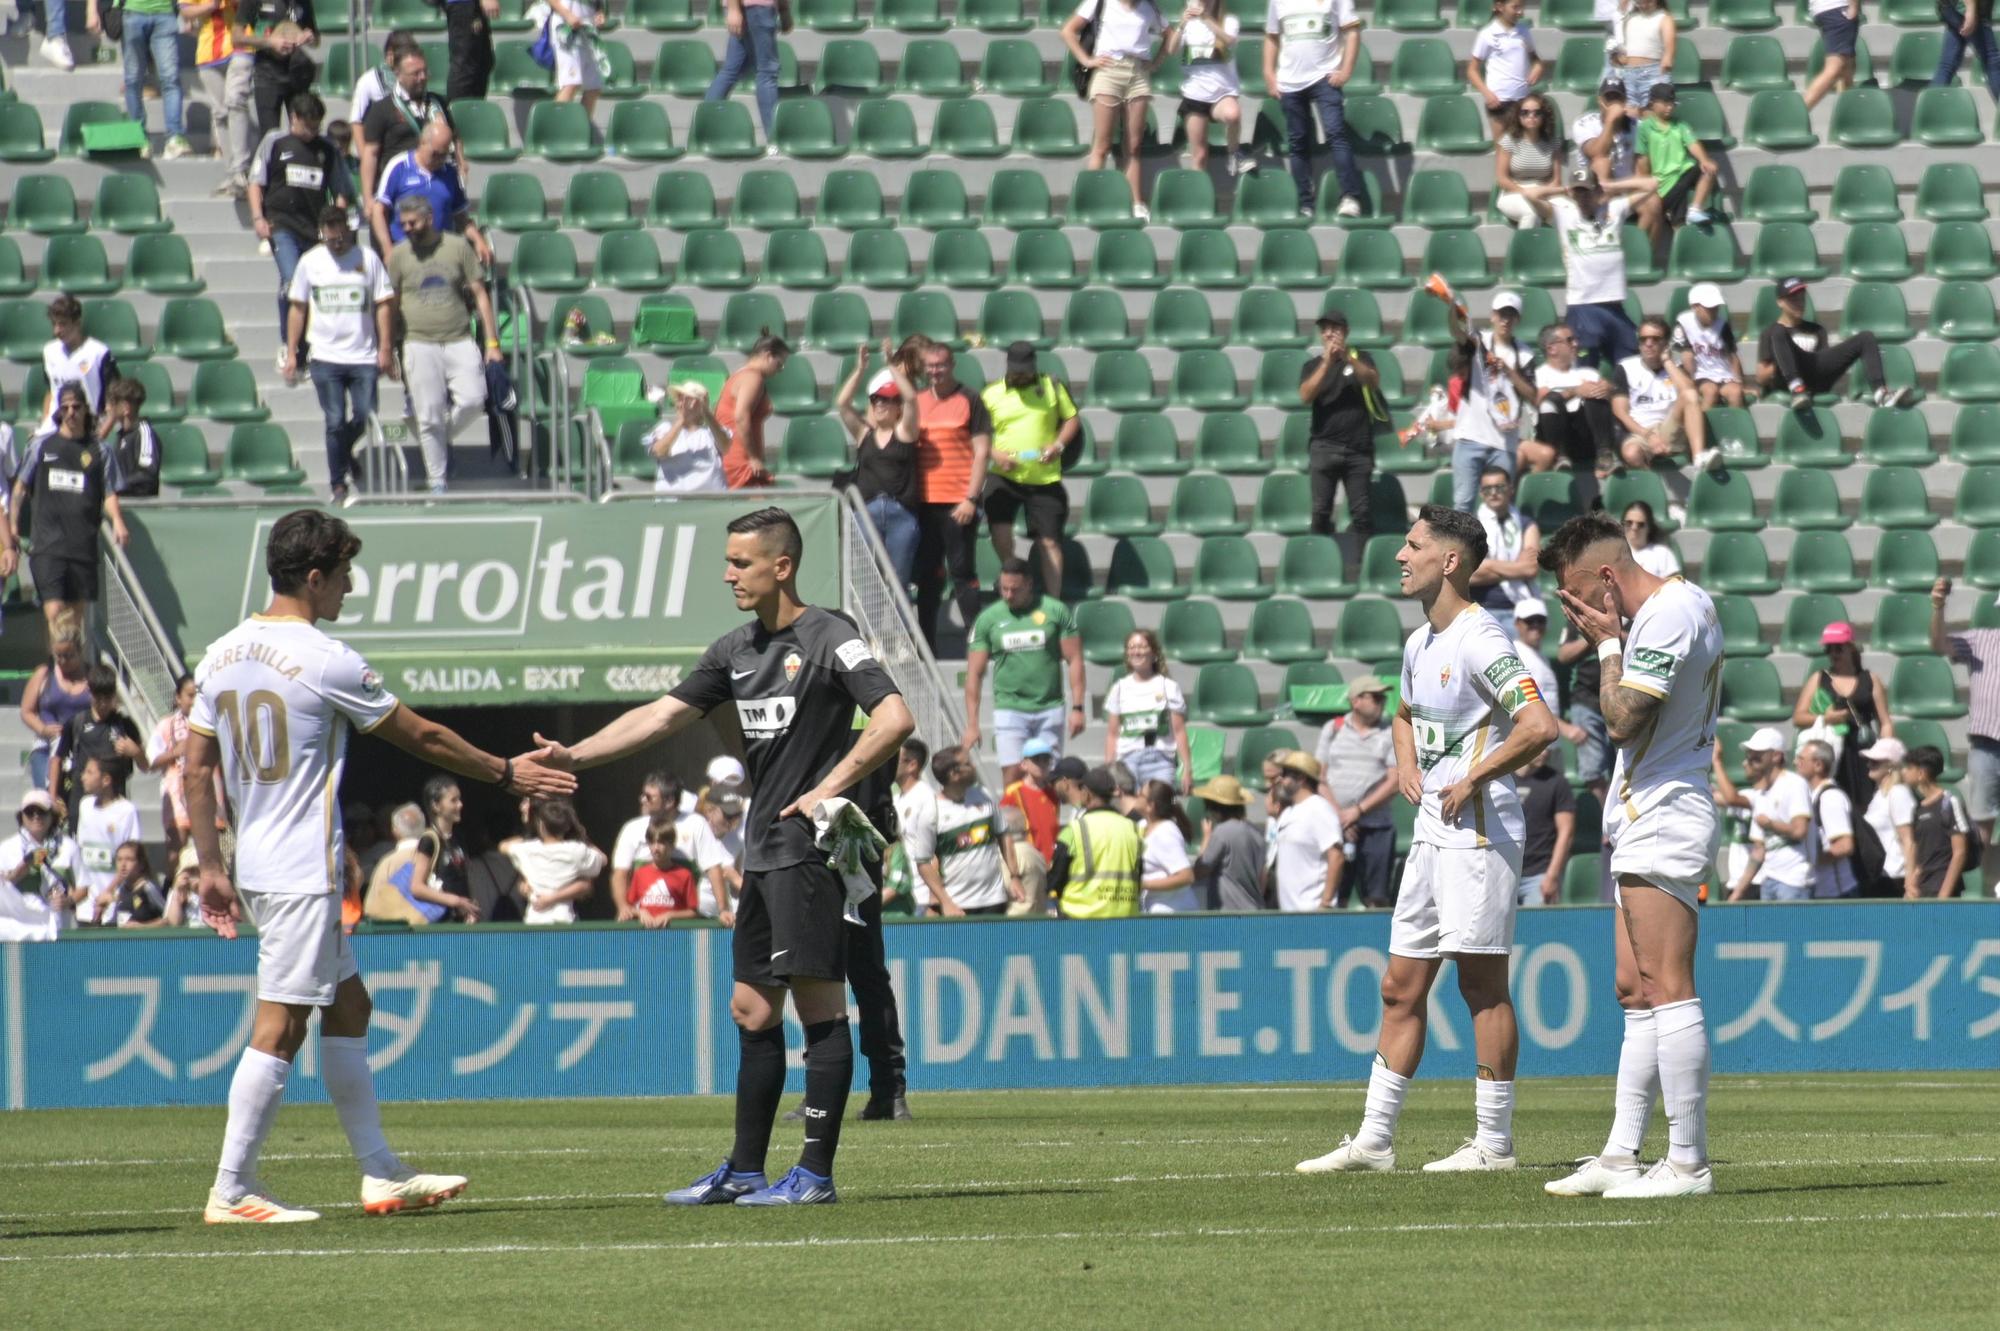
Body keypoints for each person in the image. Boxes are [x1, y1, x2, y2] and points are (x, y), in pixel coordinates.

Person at [182, 507, 571, 1223]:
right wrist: (505, 771)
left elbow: (195, 766)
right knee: (281, 1022)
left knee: (350, 1003)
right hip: (302, 868)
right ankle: (232, 1187)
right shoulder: (324, 657)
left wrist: (209, 862)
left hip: (260, 863)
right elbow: (421, 734)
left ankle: (380, 1172)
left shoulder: (219, 653)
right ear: (315, 574)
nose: (350, 589)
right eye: (345, 574)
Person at [531, 506, 915, 1207]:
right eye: (729, 561)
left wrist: (827, 788)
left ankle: (814, 1176)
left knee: (819, 1008)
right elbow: (659, 715)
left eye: (741, 562)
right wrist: (575, 754)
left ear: (782, 565)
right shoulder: (734, 649)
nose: (728, 573)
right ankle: (744, 1168)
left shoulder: (831, 636)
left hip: (811, 848)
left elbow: (895, 716)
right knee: (750, 1009)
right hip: (763, 852)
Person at [1299, 504, 1556, 1176]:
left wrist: (1475, 775)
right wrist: (1407, 765)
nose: (1399, 555)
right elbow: (1406, 715)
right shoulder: (1420, 645)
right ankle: (1375, 1139)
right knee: (1399, 986)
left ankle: (1494, 1144)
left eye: (1412, 545)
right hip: (1432, 834)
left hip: (1480, 834)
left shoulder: (1483, 640)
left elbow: (1539, 725)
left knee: (1482, 986)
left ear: (1449, 560)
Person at [1541, 508, 1724, 1198]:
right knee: (1634, 986)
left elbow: (1620, 719)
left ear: (1608, 580)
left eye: (1578, 596)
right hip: (1643, 811)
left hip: (1668, 810)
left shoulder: (1671, 612)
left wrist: (1606, 645)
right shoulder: (1663, 612)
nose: (1577, 614)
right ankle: (1622, 1152)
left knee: (1669, 985)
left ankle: (1687, 1161)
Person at [387, 190, 502, 494]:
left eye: (412, 223)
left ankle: (437, 435)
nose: (407, 229)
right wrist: (387, 346)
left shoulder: (457, 247)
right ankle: (437, 481)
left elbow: (479, 293)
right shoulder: (398, 255)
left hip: (459, 338)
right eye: (403, 224)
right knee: (429, 414)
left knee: (474, 400)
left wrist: (492, 343)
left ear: (429, 218)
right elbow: (390, 305)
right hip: (418, 342)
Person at [286, 207, 394, 503]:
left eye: (341, 237)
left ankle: (343, 453)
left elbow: (384, 303)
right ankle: (338, 484)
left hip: (363, 356)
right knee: (334, 420)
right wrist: (293, 351)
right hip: (325, 356)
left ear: (348, 230)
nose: (337, 244)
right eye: (331, 238)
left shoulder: (367, 259)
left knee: (364, 414)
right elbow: (298, 307)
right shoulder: (310, 262)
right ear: (322, 233)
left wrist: (386, 347)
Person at [10, 386, 132, 637]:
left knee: (75, 625)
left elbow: (109, 493)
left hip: (82, 548)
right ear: (58, 411)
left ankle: (71, 672)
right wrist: (13, 525)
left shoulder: (100, 451)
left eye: (76, 407)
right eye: (65, 407)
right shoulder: (41, 447)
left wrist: (118, 520)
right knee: (55, 614)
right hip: (48, 547)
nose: (71, 412)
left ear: (85, 409)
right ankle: (59, 669)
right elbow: (21, 487)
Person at [249, 94, 353, 374]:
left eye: (316, 126)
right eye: (308, 126)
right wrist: (259, 218)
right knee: (291, 282)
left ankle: (307, 348)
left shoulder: (327, 150)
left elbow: (341, 192)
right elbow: (256, 183)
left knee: (314, 288)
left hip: (315, 229)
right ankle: (288, 343)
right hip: (282, 225)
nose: (312, 132)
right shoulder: (275, 142)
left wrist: (336, 225)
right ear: (294, 118)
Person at [964, 559, 1087, 786]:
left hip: (1049, 707)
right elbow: (974, 674)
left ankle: (1047, 821)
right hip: (1010, 708)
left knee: (1050, 776)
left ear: (1029, 584)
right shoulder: (988, 619)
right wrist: (972, 723)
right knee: (1013, 774)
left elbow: (1075, 659)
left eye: (1015, 589)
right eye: (1004, 589)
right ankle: (1016, 822)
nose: (1009, 595)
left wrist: (1078, 707)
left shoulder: (1055, 610)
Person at [911, 344, 994, 652]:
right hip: (923, 503)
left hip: (959, 502)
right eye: (930, 366)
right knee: (928, 578)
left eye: (941, 365)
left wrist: (971, 498)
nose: (936, 371)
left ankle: (977, 642)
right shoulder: (916, 401)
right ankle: (925, 648)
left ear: (952, 364)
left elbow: (982, 451)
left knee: (962, 574)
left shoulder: (970, 399)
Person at [981, 342, 1080, 595]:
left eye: (1025, 370)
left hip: (1044, 477)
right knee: (1000, 531)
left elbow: (1072, 419)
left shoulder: (1052, 387)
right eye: (1017, 371)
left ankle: (1054, 598)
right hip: (1004, 475)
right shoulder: (991, 394)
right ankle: (1013, 580)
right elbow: (976, 433)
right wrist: (995, 454)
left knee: (1049, 541)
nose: (1021, 375)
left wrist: (1058, 445)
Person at [1437, 285, 1537, 512]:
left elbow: (1532, 395)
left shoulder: (1525, 354)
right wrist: (1453, 306)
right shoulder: (1479, 341)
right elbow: (1458, 332)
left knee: (1501, 508)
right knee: (1463, 505)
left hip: (1504, 442)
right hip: (1470, 436)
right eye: (1502, 314)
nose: (1505, 320)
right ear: (1493, 315)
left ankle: (1496, 548)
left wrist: (1510, 372)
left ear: (1517, 319)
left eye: (1511, 315)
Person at [1065, 0, 1169, 217]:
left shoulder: (1149, 7)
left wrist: (1157, 63)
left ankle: (1136, 203)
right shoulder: (1100, 2)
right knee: (1102, 146)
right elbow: (1068, 30)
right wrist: (1087, 60)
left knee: (1133, 146)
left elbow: (1170, 34)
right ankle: (1090, 202)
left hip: (1138, 72)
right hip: (1109, 70)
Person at [1264, 0, 1366, 220]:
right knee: (1298, 141)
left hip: (1325, 78)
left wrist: (1346, 71)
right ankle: (1305, 202)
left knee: (1336, 134)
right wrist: (1269, 75)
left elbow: (1353, 32)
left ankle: (1350, 197)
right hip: (1290, 82)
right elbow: (1272, 36)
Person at [1928, 575, 2000, 883]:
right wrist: (1938, 608)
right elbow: (1939, 644)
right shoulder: (1981, 638)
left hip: (1986, 745)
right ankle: (1974, 892)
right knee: (1981, 821)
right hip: (1986, 743)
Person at [1756, 276, 1912, 412]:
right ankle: (1797, 388)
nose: (1799, 302)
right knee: (1778, 330)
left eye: (1801, 297)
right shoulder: (1770, 333)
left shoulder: (1816, 330)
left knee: (1866, 337)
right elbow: (1761, 377)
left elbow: (1822, 363)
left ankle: (1882, 395)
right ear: (1780, 302)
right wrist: (1783, 361)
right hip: (1787, 382)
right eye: (1793, 299)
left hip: (1816, 377)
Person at [834, 342, 920, 585]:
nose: (881, 404)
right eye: (876, 399)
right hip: (867, 511)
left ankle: (898, 624)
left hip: (900, 512)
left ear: (898, 407)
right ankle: (864, 625)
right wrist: (860, 369)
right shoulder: (864, 433)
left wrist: (891, 366)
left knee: (898, 581)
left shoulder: (904, 433)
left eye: (889, 400)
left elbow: (912, 399)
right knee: (867, 581)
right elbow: (842, 403)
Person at [903, 746, 1020, 917]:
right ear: (954, 774)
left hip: (994, 900)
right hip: (958, 905)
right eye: (968, 764)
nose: (974, 766)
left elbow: (1003, 834)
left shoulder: (984, 795)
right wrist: (945, 902)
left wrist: (1015, 876)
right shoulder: (930, 811)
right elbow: (924, 863)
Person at [1791, 619, 1892, 813]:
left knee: (1865, 807)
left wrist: (1886, 754)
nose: (1833, 654)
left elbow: (1885, 721)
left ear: (1851, 648)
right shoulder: (1819, 678)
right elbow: (1798, 717)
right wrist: (1826, 719)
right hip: (1831, 751)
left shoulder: (1870, 680)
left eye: (1838, 648)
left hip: (1862, 751)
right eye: (1828, 649)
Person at [1314, 675, 1398, 908]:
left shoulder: (1390, 731)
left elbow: (1395, 780)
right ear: (1356, 701)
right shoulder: (1333, 729)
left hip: (1377, 827)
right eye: (1376, 697)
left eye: (1383, 698)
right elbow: (1320, 778)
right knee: (1335, 896)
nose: (1381, 702)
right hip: (1336, 827)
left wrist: (1358, 811)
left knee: (1376, 898)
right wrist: (1341, 816)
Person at [1300, 312, 1385, 540]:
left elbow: (1372, 380)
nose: (1329, 334)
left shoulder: (1361, 358)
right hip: (1324, 448)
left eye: (1335, 329)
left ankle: (1361, 565)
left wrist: (1348, 357)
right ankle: (1319, 561)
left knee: (1362, 514)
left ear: (1345, 332)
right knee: (1320, 512)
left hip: (1358, 449)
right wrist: (1328, 361)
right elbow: (1306, 395)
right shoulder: (1312, 365)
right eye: (1325, 329)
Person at [611, 772, 731, 923]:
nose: (643, 800)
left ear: (669, 801)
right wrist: (624, 907)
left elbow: (713, 868)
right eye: (643, 795)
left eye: (649, 797)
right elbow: (620, 873)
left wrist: (723, 909)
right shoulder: (632, 828)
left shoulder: (696, 824)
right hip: (642, 923)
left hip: (682, 924)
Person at [373, 124, 493, 266]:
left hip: (441, 254)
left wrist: (478, 240)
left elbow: (460, 217)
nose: (439, 158)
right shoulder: (399, 166)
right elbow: (378, 211)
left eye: (444, 154)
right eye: (435, 153)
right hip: (406, 253)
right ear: (422, 142)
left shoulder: (449, 173)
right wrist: (388, 250)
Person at [358, 47, 461, 211]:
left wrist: (461, 167)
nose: (422, 77)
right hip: (399, 192)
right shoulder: (382, 108)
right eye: (416, 73)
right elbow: (370, 154)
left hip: (435, 188)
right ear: (398, 74)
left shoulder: (438, 103)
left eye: (425, 72)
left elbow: (454, 137)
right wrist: (368, 198)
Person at [1571, 80, 1667, 253]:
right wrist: (1610, 122)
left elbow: (1641, 173)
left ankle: (1638, 255)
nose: (1613, 103)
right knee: (1602, 163)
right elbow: (1596, 153)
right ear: (1600, 100)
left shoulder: (1636, 127)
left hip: (1625, 185)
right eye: (1609, 98)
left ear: (1624, 101)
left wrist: (1642, 114)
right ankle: (1602, 239)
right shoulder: (1584, 123)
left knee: (1654, 203)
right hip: (1593, 188)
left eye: (1618, 98)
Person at [1610, 316, 1709, 474]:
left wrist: (1667, 362)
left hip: (1669, 428)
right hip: (1640, 430)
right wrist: (1648, 435)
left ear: (1665, 343)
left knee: (1690, 394)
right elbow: (1620, 412)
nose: (1649, 344)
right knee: (1631, 453)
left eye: (1655, 339)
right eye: (1644, 339)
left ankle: (1699, 460)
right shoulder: (1625, 368)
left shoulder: (1675, 367)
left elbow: (1691, 393)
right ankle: (1652, 486)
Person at [1521, 323, 1616, 488]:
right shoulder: (1539, 376)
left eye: (1575, 339)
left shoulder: (1588, 373)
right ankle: (1560, 456)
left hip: (1583, 438)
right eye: (1569, 340)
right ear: (1552, 348)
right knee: (1552, 400)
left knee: (1595, 395)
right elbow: (1539, 401)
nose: (1576, 344)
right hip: (1552, 437)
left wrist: (1609, 389)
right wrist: (1575, 391)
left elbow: (1611, 401)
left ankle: (1604, 455)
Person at [1103, 629, 1192, 793]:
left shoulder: (1169, 687)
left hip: (1161, 760)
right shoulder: (1119, 688)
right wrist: (1109, 768)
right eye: (1132, 647)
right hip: (1128, 761)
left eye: (1142, 647)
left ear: (1153, 653)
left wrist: (1187, 768)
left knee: (1162, 809)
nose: (1136, 651)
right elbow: (1112, 734)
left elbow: (1179, 731)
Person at [1049, 765, 1143, 918]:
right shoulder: (1133, 828)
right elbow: (1139, 873)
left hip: (1082, 919)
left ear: (1086, 793)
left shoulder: (1074, 830)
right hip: (1124, 919)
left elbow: (1056, 879)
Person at [1172, 0, 1252, 176]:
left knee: (1233, 114)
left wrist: (1207, 19)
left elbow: (1228, 40)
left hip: (1222, 93)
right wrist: (1181, 25)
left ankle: (1234, 153)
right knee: (1199, 155)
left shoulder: (1229, 21)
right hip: (1195, 94)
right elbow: (1171, 49)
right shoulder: (1189, 25)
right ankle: (1197, 200)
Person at [20, 618, 93, 793]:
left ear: (80, 651)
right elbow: (27, 711)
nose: (62, 661)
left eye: (68, 656)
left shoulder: (92, 676)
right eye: (58, 656)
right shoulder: (44, 674)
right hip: (47, 747)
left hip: (83, 749)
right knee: (47, 796)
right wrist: (43, 729)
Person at [1267, 751, 1346, 912]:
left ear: (1301, 778)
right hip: (1290, 915)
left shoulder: (1319, 809)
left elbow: (1336, 856)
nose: (1281, 779)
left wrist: (1326, 903)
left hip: (1313, 913)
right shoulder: (1289, 812)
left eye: (1286, 774)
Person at [504, 797, 602, 924]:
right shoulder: (575, 850)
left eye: (527, 801)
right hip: (552, 917)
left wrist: (551, 898)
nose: (522, 806)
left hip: (548, 918)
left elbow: (585, 885)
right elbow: (600, 860)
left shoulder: (527, 849)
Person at [34, 294, 118, 438]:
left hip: (88, 432)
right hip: (56, 431)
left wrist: (103, 432)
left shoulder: (98, 353)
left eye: (62, 324)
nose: (57, 331)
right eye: (54, 324)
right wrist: (45, 423)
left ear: (77, 323)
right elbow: (51, 391)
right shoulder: (49, 351)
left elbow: (115, 397)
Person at [1470, 466, 1540, 638]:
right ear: (1480, 493)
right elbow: (1467, 574)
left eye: (1499, 487)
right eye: (1487, 489)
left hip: (1520, 612)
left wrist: (1487, 566)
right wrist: (1517, 568)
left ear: (1511, 489)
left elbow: (1530, 569)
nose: (1493, 493)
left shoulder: (1527, 525)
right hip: (1481, 610)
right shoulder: (1470, 527)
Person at [706, 0, 790, 141]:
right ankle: (774, 139)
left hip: (756, 8)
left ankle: (705, 125)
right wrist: (733, 9)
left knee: (734, 68)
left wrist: (784, 9)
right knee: (767, 71)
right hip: (756, 8)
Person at [1633, 85, 1717, 227]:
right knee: (1680, 203)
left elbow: (1693, 144)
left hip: (1683, 172)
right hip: (1662, 183)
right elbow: (1642, 163)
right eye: (1665, 103)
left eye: (1672, 103)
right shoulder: (1644, 129)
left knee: (1708, 167)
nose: (1670, 107)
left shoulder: (1680, 125)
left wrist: (1704, 160)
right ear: (1653, 104)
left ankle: (1695, 209)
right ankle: (1683, 219)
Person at [122, 0, 193, 159]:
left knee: (171, 78)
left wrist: (185, 13)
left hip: (165, 14)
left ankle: (174, 137)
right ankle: (138, 137)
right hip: (133, 12)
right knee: (133, 80)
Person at [1, 790, 80, 933]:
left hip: (57, 928)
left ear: (52, 815)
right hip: (17, 933)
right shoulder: (6, 848)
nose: (36, 816)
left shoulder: (68, 846)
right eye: (30, 812)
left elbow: (83, 887)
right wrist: (16, 875)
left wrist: (67, 901)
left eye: (41, 811)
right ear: (21, 816)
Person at [239, 0, 320, 138]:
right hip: (267, 74)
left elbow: (316, 40)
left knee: (304, 132)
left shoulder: (303, 2)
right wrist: (270, 42)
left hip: (297, 74)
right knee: (270, 136)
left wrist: (309, 38)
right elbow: (237, 37)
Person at [406, 775, 480, 923]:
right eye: (453, 800)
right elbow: (417, 887)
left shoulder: (458, 838)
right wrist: (455, 901)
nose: (460, 805)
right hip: (441, 924)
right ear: (436, 805)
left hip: (462, 921)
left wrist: (469, 906)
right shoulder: (429, 840)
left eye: (459, 799)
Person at [718, 332, 786, 490]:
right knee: (757, 511)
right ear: (768, 355)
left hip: (735, 456)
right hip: (740, 460)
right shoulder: (753, 378)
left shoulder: (741, 374)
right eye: (779, 364)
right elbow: (741, 417)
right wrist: (754, 458)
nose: (779, 370)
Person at [1901, 745, 1971, 899]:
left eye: (1909, 768)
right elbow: (1923, 854)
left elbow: (1959, 853)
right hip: (1922, 890)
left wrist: (1943, 897)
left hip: (1942, 891)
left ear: (1921, 773)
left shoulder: (1949, 803)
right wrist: (1911, 884)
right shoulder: (1918, 809)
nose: (1904, 772)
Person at [1467, 0, 1543, 141]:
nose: (1520, 12)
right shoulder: (1487, 34)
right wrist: (1487, 94)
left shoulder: (1523, 30)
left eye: (1522, 7)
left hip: (1522, 99)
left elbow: (1535, 59)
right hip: (1500, 100)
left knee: (1523, 149)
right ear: (1499, 7)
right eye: (1515, 7)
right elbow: (1472, 70)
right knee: (1502, 149)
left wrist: (1538, 67)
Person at [1796, 739, 1859, 900]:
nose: (1796, 762)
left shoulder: (1830, 798)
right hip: (1822, 892)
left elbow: (1844, 846)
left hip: (1837, 895)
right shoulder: (1812, 795)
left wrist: (1807, 860)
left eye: (1802, 759)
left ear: (1818, 765)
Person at [1190, 775, 1265, 910]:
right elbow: (1262, 879)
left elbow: (1199, 871)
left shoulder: (1222, 832)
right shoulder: (1257, 833)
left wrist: (1207, 837)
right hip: (1255, 911)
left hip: (1228, 915)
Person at [1671, 283, 1744, 419]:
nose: (1713, 311)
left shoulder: (1722, 326)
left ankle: (1734, 428)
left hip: (1722, 372)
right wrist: (1690, 382)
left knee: (1736, 392)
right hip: (1699, 374)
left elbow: (1732, 357)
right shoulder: (1684, 323)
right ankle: (1702, 428)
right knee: (1710, 391)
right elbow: (1685, 356)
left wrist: (1739, 381)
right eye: (1709, 308)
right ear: (1695, 307)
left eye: (1715, 308)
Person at [1493, 93, 1564, 229]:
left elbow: (1556, 181)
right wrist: (1525, 192)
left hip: (1544, 191)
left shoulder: (1553, 142)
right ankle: (1525, 248)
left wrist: (1540, 192)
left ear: (1544, 116)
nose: (1531, 117)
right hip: (1514, 192)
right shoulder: (1509, 141)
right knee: (1530, 214)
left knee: (1568, 211)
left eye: (1537, 113)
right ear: (1518, 116)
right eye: (1525, 113)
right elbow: (1502, 179)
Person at [1517, 744, 1576, 905]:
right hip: (1505, 872)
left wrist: (1552, 876)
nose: (1545, 752)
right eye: (1540, 745)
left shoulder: (1557, 782)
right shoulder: (1502, 779)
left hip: (1539, 875)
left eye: (1548, 748)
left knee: (1538, 928)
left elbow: (1566, 831)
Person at [644, 381, 728, 494]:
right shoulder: (664, 428)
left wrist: (705, 412)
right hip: (674, 502)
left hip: (711, 501)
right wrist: (682, 420)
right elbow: (659, 452)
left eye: (686, 399)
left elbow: (726, 446)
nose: (681, 404)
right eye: (679, 399)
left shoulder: (711, 432)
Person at [1860, 736, 1916, 898]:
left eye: (1876, 762)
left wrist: (1910, 883)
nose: (1869, 764)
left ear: (1891, 766)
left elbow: (1908, 840)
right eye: (1869, 761)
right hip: (1881, 875)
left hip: (1895, 877)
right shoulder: (1879, 795)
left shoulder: (1898, 793)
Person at [887, 737, 935, 916]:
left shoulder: (925, 798)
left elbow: (935, 852)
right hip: (906, 896)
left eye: (895, 759)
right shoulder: (897, 798)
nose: (889, 764)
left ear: (912, 765)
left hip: (922, 899)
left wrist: (933, 898)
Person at [1137, 780, 1200, 913]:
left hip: (1173, 914)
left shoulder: (1166, 832)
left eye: (1141, 794)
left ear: (1150, 806)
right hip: (1153, 911)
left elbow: (1186, 876)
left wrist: (1142, 884)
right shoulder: (1141, 825)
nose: (1137, 794)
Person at [625, 815, 699, 927]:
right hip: (645, 936)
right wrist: (640, 913)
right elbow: (628, 907)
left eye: (661, 843)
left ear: (672, 845)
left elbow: (693, 912)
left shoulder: (684, 875)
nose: (655, 848)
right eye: (652, 843)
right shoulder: (640, 873)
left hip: (674, 936)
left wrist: (670, 915)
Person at [1003, 738, 1062, 872]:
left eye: (1046, 759)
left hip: (1051, 863)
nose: (1042, 764)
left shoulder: (1053, 793)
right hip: (1028, 862)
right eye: (1036, 759)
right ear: (1024, 764)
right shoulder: (1014, 792)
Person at [539, 0, 606, 116]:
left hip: (588, 27)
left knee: (594, 87)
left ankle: (581, 129)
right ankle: (556, 131)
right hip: (565, 27)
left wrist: (599, 12)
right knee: (570, 84)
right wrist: (567, 14)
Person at [101, 378, 162, 498]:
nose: (106, 408)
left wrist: (116, 485)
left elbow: (147, 474)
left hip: (140, 506)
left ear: (125, 408)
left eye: (111, 403)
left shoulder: (144, 433)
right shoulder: (121, 435)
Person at [350, 29, 419, 130]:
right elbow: (356, 120)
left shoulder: (416, 78)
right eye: (404, 55)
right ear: (389, 55)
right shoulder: (368, 80)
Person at [1612, 0, 1675, 110]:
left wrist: (1667, 59)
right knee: (1629, 112)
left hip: (1652, 72)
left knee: (1652, 112)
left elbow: (1669, 47)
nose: (1644, 5)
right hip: (1629, 73)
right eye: (1640, 2)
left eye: (1648, 2)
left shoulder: (1664, 18)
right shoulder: (1630, 18)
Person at [1802, 0, 1863, 110]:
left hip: (1824, 9)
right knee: (1835, 68)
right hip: (1837, 9)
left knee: (1847, 66)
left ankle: (1849, 115)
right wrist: (1854, 6)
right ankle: (1798, 114)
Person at [1933, 0, 2000, 99]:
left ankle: (1932, 105)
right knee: (1992, 61)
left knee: (1947, 65)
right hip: (1964, 9)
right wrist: (1970, 10)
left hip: (1951, 7)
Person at [97, 842, 168, 928]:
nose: (123, 865)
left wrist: (142, 927)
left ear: (141, 864)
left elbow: (168, 919)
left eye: (129, 859)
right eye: (119, 859)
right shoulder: (121, 889)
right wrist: (100, 911)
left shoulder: (148, 888)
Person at [444, 0, 501, 101]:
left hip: (471, 6)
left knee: (483, 63)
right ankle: (457, 113)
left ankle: (473, 111)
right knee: (465, 66)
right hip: (463, 5)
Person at [1622, 502, 1680, 579]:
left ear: (1649, 527)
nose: (1634, 528)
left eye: (1640, 524)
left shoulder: (1662, 553)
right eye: (1629, 523)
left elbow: (1675, 585)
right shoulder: (1614, 553)